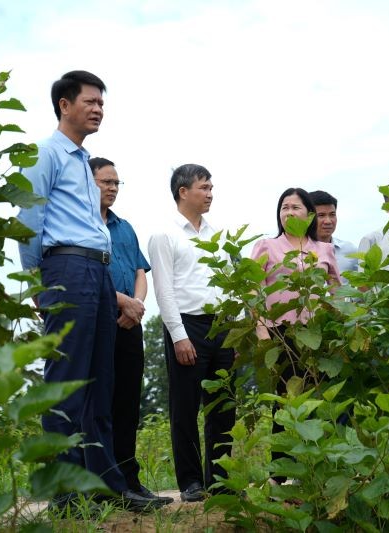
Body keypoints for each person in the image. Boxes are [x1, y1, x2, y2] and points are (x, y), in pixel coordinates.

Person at [17, 71, 164, 512]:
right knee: (66, 382)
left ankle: (107, 486)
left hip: (97, 273)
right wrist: (35, 282)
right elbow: (27, 219)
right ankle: (63, 494)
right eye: (90, 101)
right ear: (64, 105)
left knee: (101, 383)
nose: (98, 108)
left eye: (102, 102)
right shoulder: (46, 153)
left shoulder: (84, 162)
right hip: (65, 267)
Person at [148, 164, 235, 502]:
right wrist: (178, 335)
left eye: (211, 187)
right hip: (186, 326)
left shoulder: (219, 233)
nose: (210, 193)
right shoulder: (164, 234)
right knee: (185, 408)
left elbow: (229, 282)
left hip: (222, 326)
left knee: (223, 406)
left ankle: (221, 479)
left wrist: (235, 330)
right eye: (204, 187)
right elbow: (164, 290)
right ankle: (191, 482)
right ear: (183, 192)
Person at [88, 157, 173, 506]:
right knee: (101, 404)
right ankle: (105, 485)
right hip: (99, 321)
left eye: (116, 183)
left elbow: (140, 269)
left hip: (130, 323)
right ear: (87, 182)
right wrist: (121, 303)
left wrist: (136, 306)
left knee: (128, 403)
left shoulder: (124, 227)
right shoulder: (84, 225)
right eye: (105, 181)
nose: (112, 187)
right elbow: (91, 273)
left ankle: (130, 481)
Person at [250, 187, 341, 482]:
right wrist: (261, 327)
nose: (289, 212)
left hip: (316, 335)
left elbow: (336, 291)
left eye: (295, 207)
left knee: (317, 400)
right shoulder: (266, 245)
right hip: (280, 335)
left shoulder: (324, 249)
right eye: (284, 207)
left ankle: (314, 471)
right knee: (284, 401)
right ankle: (278, 474)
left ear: (309, 214)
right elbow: (253, 288)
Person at [308, 190, 358, 274]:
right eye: (321, 215)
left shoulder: (349, 250)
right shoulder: (297, 252)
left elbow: (365, 283)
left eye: (332, 214)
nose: (328, 221)